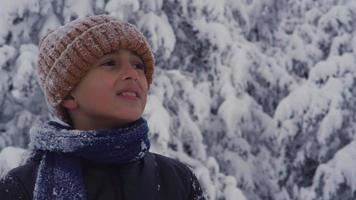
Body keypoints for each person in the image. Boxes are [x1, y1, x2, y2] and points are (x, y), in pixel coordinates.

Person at [0, 15, 205, 200]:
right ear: (69, 94)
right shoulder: (23, 186)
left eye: (138, 65)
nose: (131, 74)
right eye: (110, 63)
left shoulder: (176, 179)